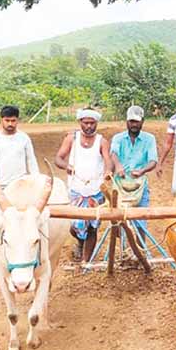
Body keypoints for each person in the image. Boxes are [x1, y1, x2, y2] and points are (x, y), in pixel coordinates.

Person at [54, 107, 112, 262]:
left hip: (95, 190)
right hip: (76, 188)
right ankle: (80, 242)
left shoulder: (102, 141)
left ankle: (87, 261)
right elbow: (58, 158)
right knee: (74, 225)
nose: (89, 126)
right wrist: (67, 166)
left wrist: (107, 172)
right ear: (80, 122)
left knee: (93, 226)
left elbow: (108, 161)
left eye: (92, 123)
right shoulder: (71, 139)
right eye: (86, 123)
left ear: (97, 123)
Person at [110, 105, 158, 246]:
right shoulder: (118, 138)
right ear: (126, 121)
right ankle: (124, 250)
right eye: (131, 121)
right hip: (120, 184)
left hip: (139, 185)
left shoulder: (149, 139)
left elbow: (153, 161)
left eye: (137, 122)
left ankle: (140, 252)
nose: (134, 125)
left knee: (140, 221)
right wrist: (118, 166)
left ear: (142, 121)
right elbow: (113, 153)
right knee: (120, 221)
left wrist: (142, 170)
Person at [0, 105, 39, 198]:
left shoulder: (24, 138)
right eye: (7, 120)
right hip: (2, 185)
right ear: (1, 120)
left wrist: (37, 180)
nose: (10, 124)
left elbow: (31, 161)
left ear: (17, 120)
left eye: (13, 121)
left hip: (21, 184)